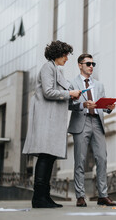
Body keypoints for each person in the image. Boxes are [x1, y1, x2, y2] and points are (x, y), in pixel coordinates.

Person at [22, 40, 81, 208]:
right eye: (65, 55)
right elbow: (48, 92)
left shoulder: (56, 70)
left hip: (52, 120)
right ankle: (39, 198)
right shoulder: (48, 67)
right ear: (58, 54)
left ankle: (44, 196)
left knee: (49, 158)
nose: (67, 59)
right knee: (45, 156)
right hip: (46, 120)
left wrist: (74, 97)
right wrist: (70, 93)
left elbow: (61, 95)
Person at [68, 53, 116, 207]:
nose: (91, 67)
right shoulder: (72, 84)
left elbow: (102, 107)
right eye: (88, 64)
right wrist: (83, 105)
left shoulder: (99, 85)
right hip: (81, 123)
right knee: (80, 160)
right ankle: (80, 196)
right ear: (80, 65)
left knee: (102, 158)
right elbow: (68, 104)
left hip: (97, 123)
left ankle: (103, 195)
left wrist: (109, 108)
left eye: (93, 64)